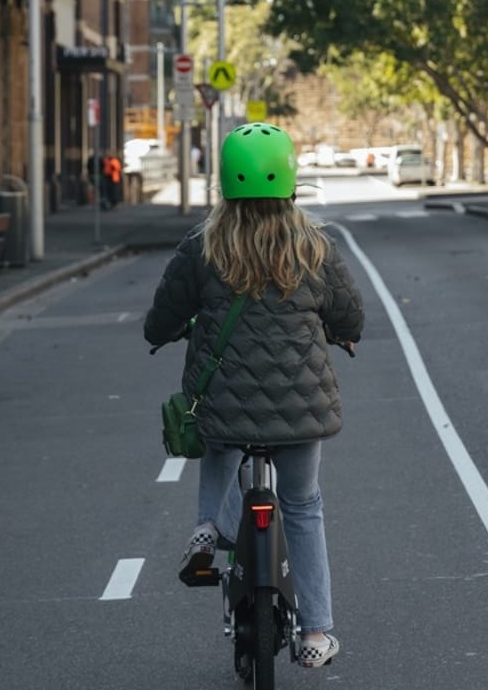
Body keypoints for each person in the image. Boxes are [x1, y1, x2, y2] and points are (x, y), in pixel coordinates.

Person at [144, 122, 364, 668]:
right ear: (290, 182)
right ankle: (315, 632)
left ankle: (206, 529)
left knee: (219, 432)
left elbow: (163, 317)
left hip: (223, 401)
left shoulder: (203, 247)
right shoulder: (315, 246)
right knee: (303, 507)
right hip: (300, 411)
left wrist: (163, 332)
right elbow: (349, 314)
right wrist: (341, 331)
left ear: (225, 184)